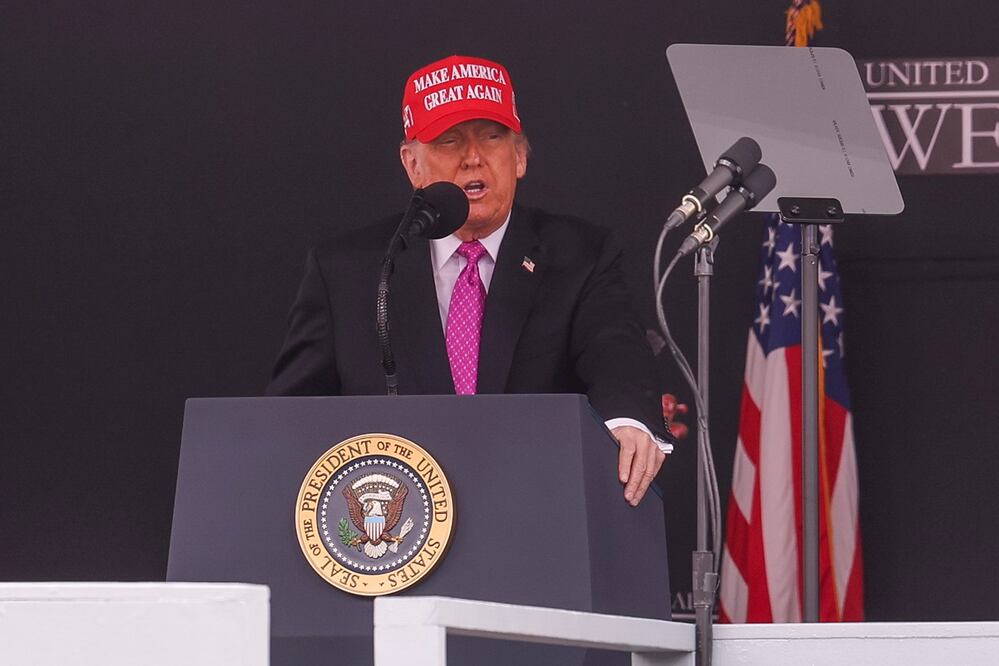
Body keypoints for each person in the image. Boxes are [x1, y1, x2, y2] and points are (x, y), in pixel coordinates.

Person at [267, 54, 675, 505]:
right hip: (393, 536)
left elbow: (616, 349)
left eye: (492, 137)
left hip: (536, 511)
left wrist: (627, 420)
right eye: (449, 141)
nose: (473, 158)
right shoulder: (348, 268)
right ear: (412, 164)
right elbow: (291, 417)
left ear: (519, 156)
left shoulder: (580, 254)